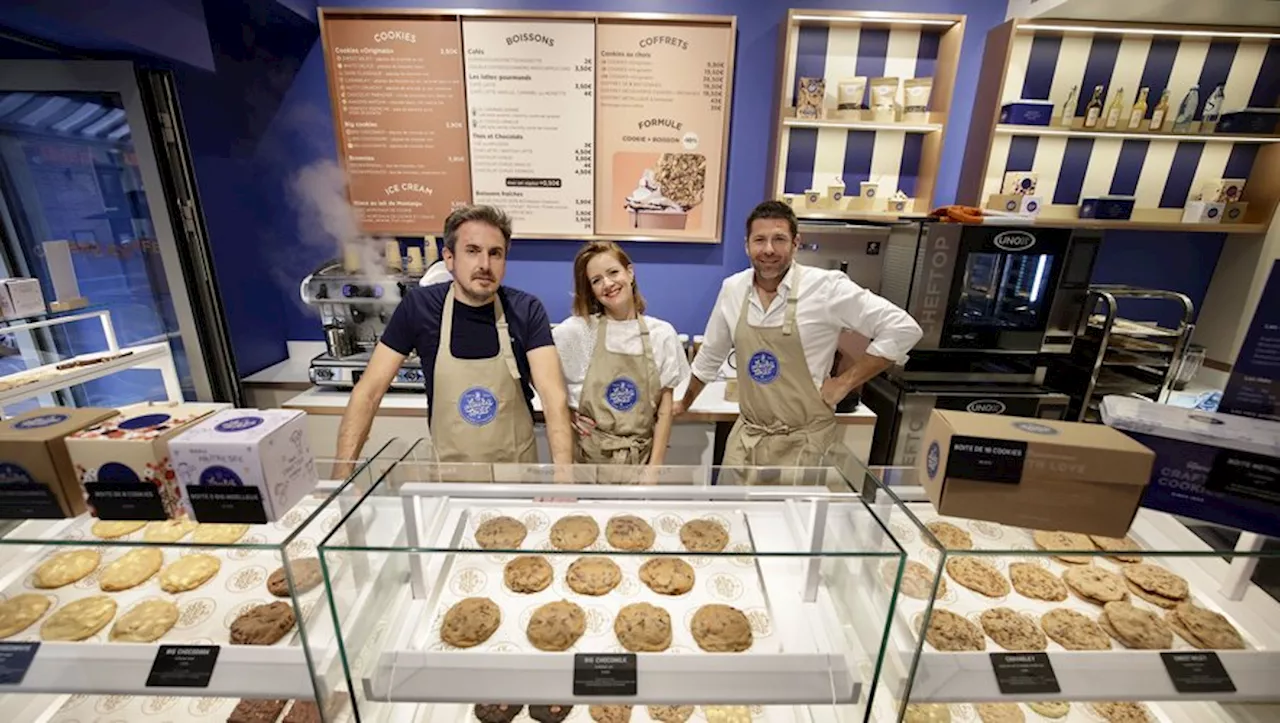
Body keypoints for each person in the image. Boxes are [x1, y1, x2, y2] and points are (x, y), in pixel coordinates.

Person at [676, 200, 922, 468]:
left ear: (795, 243)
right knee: (733, 511)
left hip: (805, 444)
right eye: (760, 240)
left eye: (779, 239)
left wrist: (843, 384)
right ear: (747, 245)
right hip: (748, 440)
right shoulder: (733, 289)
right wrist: (683, 404)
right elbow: (711, 355)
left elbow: (904, 328)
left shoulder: (826, 288)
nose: (768, 249)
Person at [335, 204, 574, 465]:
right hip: (449, 479)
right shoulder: (419, 308)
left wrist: (564, 476)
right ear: (449, 258)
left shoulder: (526, 310)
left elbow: (553, 397)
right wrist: (342, 476)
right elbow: (368, 392)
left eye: (495, 254)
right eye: (472, 251)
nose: (485, 264)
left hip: (517, 476)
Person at [553, 241, 690, 465]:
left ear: (630, 272)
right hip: (590, 460)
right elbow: (540, 372)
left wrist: (653, 472)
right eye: (596, 280)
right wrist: (567, 414)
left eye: (613, 272)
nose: (608, 284)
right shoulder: (579, 332)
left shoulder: (662, 334)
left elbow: (665, 412)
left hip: (641, 459)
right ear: (591, 291)